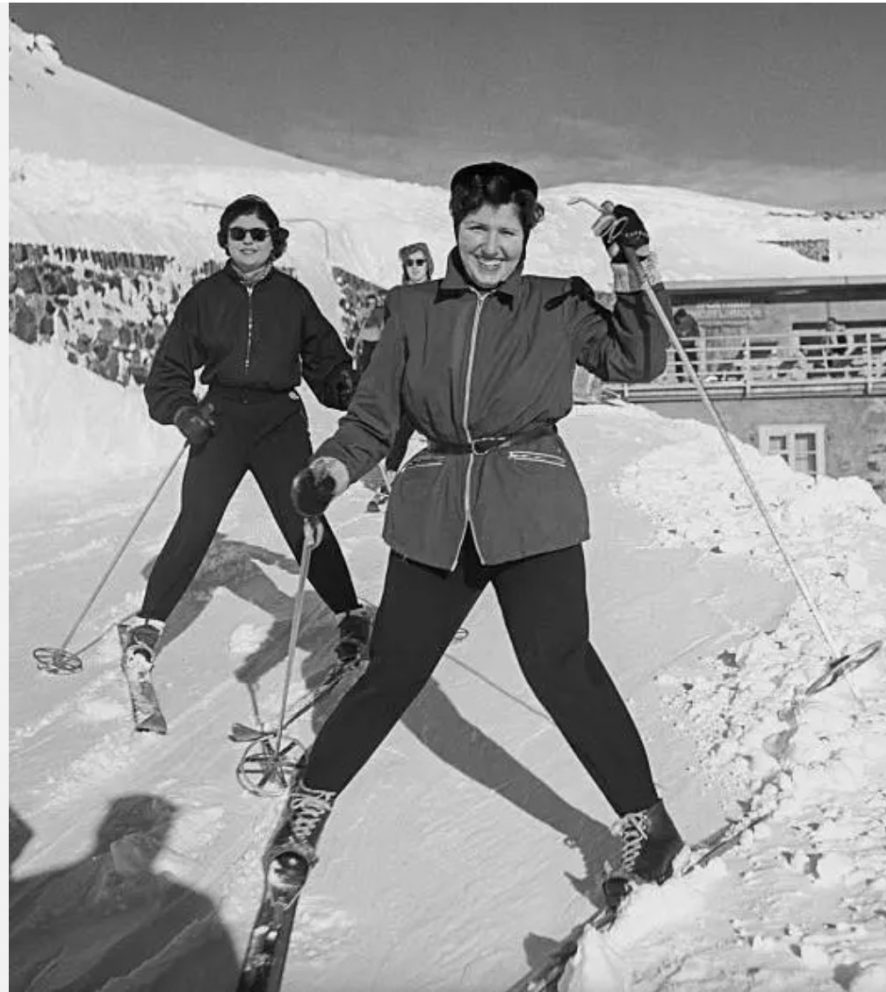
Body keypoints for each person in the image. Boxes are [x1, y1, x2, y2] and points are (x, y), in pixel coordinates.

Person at [269, 162, 685, 911]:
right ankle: (312, 798)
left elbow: (639, 359)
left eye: (506, 231)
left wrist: (631, 265)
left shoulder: (558, 303)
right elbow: (372, 417)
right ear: (455, 229)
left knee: (559, 664)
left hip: (531, 496)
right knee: (392, 668)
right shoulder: (412, 309)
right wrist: (330, 471)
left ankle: (647, 824)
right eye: (477, 229)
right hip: (436, 508)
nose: (491, 245)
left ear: (526, 236)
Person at [117, 194, 371, 733]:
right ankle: (146, 625)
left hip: (279, 421)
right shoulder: (205, 298)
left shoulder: (294, 297)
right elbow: (166, 375)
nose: (248, 241)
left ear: (274, 239)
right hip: (223, 418)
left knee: (304, 521)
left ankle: (350, 614)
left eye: (258, 233)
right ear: (225, 239)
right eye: (238, 233)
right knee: (197, 522)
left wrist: (344, 386)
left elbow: (327, 366)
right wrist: (184, 412)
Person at [364, 242, 435, 512]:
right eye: (410, 263)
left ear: (428, 263)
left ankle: (444, 484)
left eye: (419, 262)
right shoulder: (397, 296)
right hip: (405, 375)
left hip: (434, 374)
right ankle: (389, 483)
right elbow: (383, 335)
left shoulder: (441, 293)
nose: (415, 268)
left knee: (440, 431)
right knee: (400, 432)